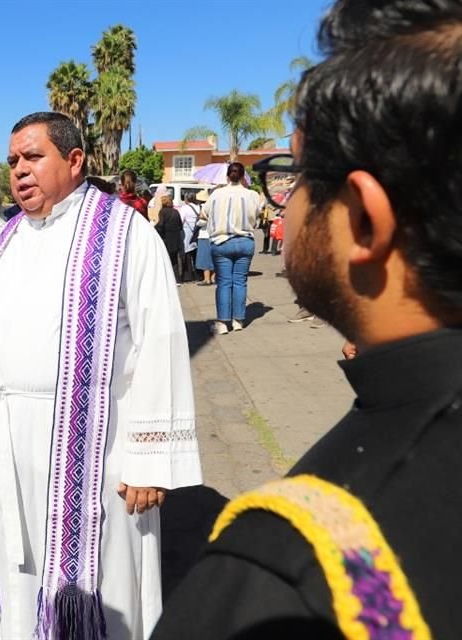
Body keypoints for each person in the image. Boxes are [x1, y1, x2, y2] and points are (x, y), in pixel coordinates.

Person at [152, 1, 462, 637]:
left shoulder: (291, 568)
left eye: (298, 177)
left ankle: (231, 320)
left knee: (228, 293)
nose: (287, 204)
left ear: (366, 221)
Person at [0, 112, 202, 639]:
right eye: (12, 162)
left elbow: (160, 341)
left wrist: (149, 458)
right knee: (20, 581)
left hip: (99, 446)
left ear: (74, 161)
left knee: (103, 584)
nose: (19, 171)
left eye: (32, 157)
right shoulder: (0, 243)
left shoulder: (125, 235)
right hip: (12, 441)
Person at [205, 162, 261, 334]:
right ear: (243, 176)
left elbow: (205, 213)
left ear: (227, 176)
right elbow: (258, 217)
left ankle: (222, 323)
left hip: (222, 242)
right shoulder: (252, 195)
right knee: (240, 282)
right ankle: (238, 320)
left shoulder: (216, 194)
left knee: (224, 283)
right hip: (245, 241)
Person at [155, 194, 184, 284]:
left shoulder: (162, 212)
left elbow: (161, 225)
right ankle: (177, 279)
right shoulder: (176, 212)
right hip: (176, 238)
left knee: (165, 259)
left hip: (166, 238)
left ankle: (166, 279)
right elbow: (180, 225)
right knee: (174, 260)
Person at [193, 189, 215, 286]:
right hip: (214, 234)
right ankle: (213, 278)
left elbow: (202, 222)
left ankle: (207, 279)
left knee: (205, 258)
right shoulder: (215, 207)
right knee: (213, 258)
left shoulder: (204, 208)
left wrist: (198, 222)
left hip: (204, 235)